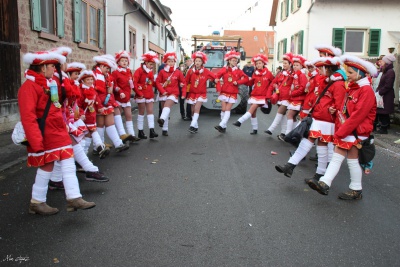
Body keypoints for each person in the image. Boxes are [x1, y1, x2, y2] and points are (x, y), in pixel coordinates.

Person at [19, 51, 95, 215]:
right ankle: (37, 201)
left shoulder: (51, 82)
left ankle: (74, 197)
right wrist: (36, 141)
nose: (55, 69)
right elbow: (28, 117)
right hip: (45, 133)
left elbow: (66, 98)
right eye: (52, 66)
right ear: (42, 67)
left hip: (58, 130)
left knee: (68, 161)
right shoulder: (29, 87)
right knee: (47, 165)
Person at [308, 55, 377, 200]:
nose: (348, 75)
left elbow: (358, 115)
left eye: (351, 73)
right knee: (341, 157)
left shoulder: (366, 91)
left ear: (360, 74)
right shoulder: (354, 88)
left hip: (357, 131)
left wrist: (340, 132)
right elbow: (346, 108)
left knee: (350, 159)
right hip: (350, 130)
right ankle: (326, 183)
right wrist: (336, 110)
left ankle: (352, 188)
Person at [275, 56, 346, 183]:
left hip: (327, 120)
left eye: (321, 68)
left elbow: (339, 104)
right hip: (319, 117)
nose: (318, 70)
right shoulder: (326, 80)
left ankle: (318, 174)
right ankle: (290, 166)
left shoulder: (338, 84)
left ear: (328, 68)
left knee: (321, 146)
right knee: (308, 142)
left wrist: (333, 110)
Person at [93, 55, 129, 152]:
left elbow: (110, 91)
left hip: (107, 102)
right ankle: (98, 147)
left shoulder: (108, 76)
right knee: (100, 125)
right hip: (98, 103)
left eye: (109, 68)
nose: (107, 70)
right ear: (100, 66)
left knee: (110, 123)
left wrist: (112, 102)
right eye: (106, 67)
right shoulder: (94, 75)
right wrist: (99, 105)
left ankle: (118, 144)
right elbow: (94, 92)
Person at [232, 54, 274, 134]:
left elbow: (273, 82)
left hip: (263, 96)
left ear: (263, 63)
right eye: (257, 63)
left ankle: (239, 121)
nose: (258, 65)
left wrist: (270, 94)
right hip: (254, 94)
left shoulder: (269, 74)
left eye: (260, 63)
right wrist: (242, 81)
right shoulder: (255, 73)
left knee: (252, 108)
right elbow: (250, 83)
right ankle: (255, 129)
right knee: (253, 113)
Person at [214, 50, 249, 133]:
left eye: (236, 60)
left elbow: (246, 78)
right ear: (229, 61)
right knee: (223, 109)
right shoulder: (224, 69)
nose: (235, 62)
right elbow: (217, 77)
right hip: (224, 91)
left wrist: (238, 82)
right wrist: (218, 87)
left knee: (227, 109)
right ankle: (223, 126)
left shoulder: (239, 71)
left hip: (233, 92)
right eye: (233, 60)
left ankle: (221, 125)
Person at [112, 50, 140, 143]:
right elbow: (114, 85)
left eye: (126, 60)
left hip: (127, 97)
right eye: (122, 60)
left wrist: (137, 90)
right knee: (118, 117)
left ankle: (132, 135)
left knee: (129, 116)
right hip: (118, 98)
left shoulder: (129, 71)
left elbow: (131, 84)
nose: (124, 62)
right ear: (118, 62)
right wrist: (119, 91)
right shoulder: (115, 72)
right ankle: (121, 136)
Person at [156, 51, 186, 136]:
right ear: (166, 62)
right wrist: (162, 91)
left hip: (173, 93)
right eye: (169, 61)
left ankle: (161, 119)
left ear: (174, 62)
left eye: (172, 61)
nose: (171, 63)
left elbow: (183, 82)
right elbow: (157, 82)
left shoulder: (178, 72)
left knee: (167, 106)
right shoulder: (162, 72)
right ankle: (165, 129)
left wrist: (183, 93)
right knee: (165, 110)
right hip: (164, 93)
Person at [185, 51, 216, 133]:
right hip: (192, 93)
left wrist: (216, 80)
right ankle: (195, 126)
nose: (197, 62)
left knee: (197, 108)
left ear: (202, 62)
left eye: (199, 61)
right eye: (196, 61)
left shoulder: (206, 71)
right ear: (194, 62)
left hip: (201, 93)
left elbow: (214, 77)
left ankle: (192, 125)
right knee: (192, 110)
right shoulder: (190, 71)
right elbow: (185, 81)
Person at [265, 53, 294, 140]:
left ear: (290, 64)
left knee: (280, 112)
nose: (284, 65)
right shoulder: (281, 73)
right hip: (280, 96)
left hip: (288, 98)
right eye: (283, 63)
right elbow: (273, 82)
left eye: (286, 63)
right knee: (283, 115)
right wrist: (270, 94)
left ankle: (271, 129)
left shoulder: (293, 74)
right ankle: (283, 132)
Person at [133, 51, 160, 139]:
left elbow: (152, 82)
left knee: (150, 112)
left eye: (152, 64)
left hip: (149, 94)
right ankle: (140, 131)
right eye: (150, 64)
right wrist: (139, 93)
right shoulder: (139, 71)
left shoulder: (150, 72)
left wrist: (161, 86)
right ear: (145, 62)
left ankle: (151, 130)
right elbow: (134, 83)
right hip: (141, 94)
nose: (151, 66)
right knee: (141, 112)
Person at [284, 55, 308, 135]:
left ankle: (288, 133)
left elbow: (303, 88)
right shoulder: (296, 75)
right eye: (294, 65)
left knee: (290, 115)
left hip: (299, 99)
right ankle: (292, 133)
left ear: (301, 66)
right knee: (293, 117)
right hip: (295, 98)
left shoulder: (302, 75)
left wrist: (293, 93)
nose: (295, 66)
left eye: (297, 65)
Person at [375, 54, 396, 134]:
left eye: (383, 60)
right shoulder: (386, 70)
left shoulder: (390, 72)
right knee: (382, 112)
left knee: (383, 112)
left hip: (386, 95)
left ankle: (384, 128)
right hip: (383, 95)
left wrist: (380, 92)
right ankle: (383, 126)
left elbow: (388, 85)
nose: (381, 62)